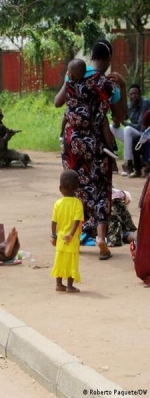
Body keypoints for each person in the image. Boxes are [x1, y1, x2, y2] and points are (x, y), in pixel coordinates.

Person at [54, 39, 127, 261]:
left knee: (77, 187)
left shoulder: (72, 75)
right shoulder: (107, 83)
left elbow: (58, 102)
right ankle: (101, 238)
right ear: (107, 60)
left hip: (72, 143)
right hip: (96, 143)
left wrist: (68, 82)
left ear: (91, 58)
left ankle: (72, 236)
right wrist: (121, 87)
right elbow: (121, 116)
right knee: (102, 187)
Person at [60, 59, 116, 157]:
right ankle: (109, 146)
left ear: (70, 74)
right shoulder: (90, 84)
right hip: (89, 117)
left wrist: (67, 80)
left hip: (73, 116)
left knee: (66, 115)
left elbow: (57, 102)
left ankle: (61, 134)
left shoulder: (68, 85)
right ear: (85, 72)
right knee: (104, 122)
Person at [50, 169, 84, 293]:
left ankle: (59, 284)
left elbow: (54, 222)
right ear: (76, 188)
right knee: (72, 262)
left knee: (59, 260)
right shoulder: (77, 203)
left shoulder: (57, 203)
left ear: (60, 188)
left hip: (60, 237)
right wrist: (71, 234)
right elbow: (77, 221)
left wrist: (53, 236)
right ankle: (70, 286)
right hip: (72, 239)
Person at [110, 84, 150, 177]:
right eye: (131, 94)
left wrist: (123, 122)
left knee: (128, 129)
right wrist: (117, 121)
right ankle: (113, 160)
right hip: (133, 134)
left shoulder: (145, 103)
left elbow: (140, 126)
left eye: (136, 94)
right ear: (129, 96)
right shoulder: (129, 105)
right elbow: (123, 117)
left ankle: (129, 164)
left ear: (140, 94)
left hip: (144, 134)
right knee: (111, 127)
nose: (133, 96)